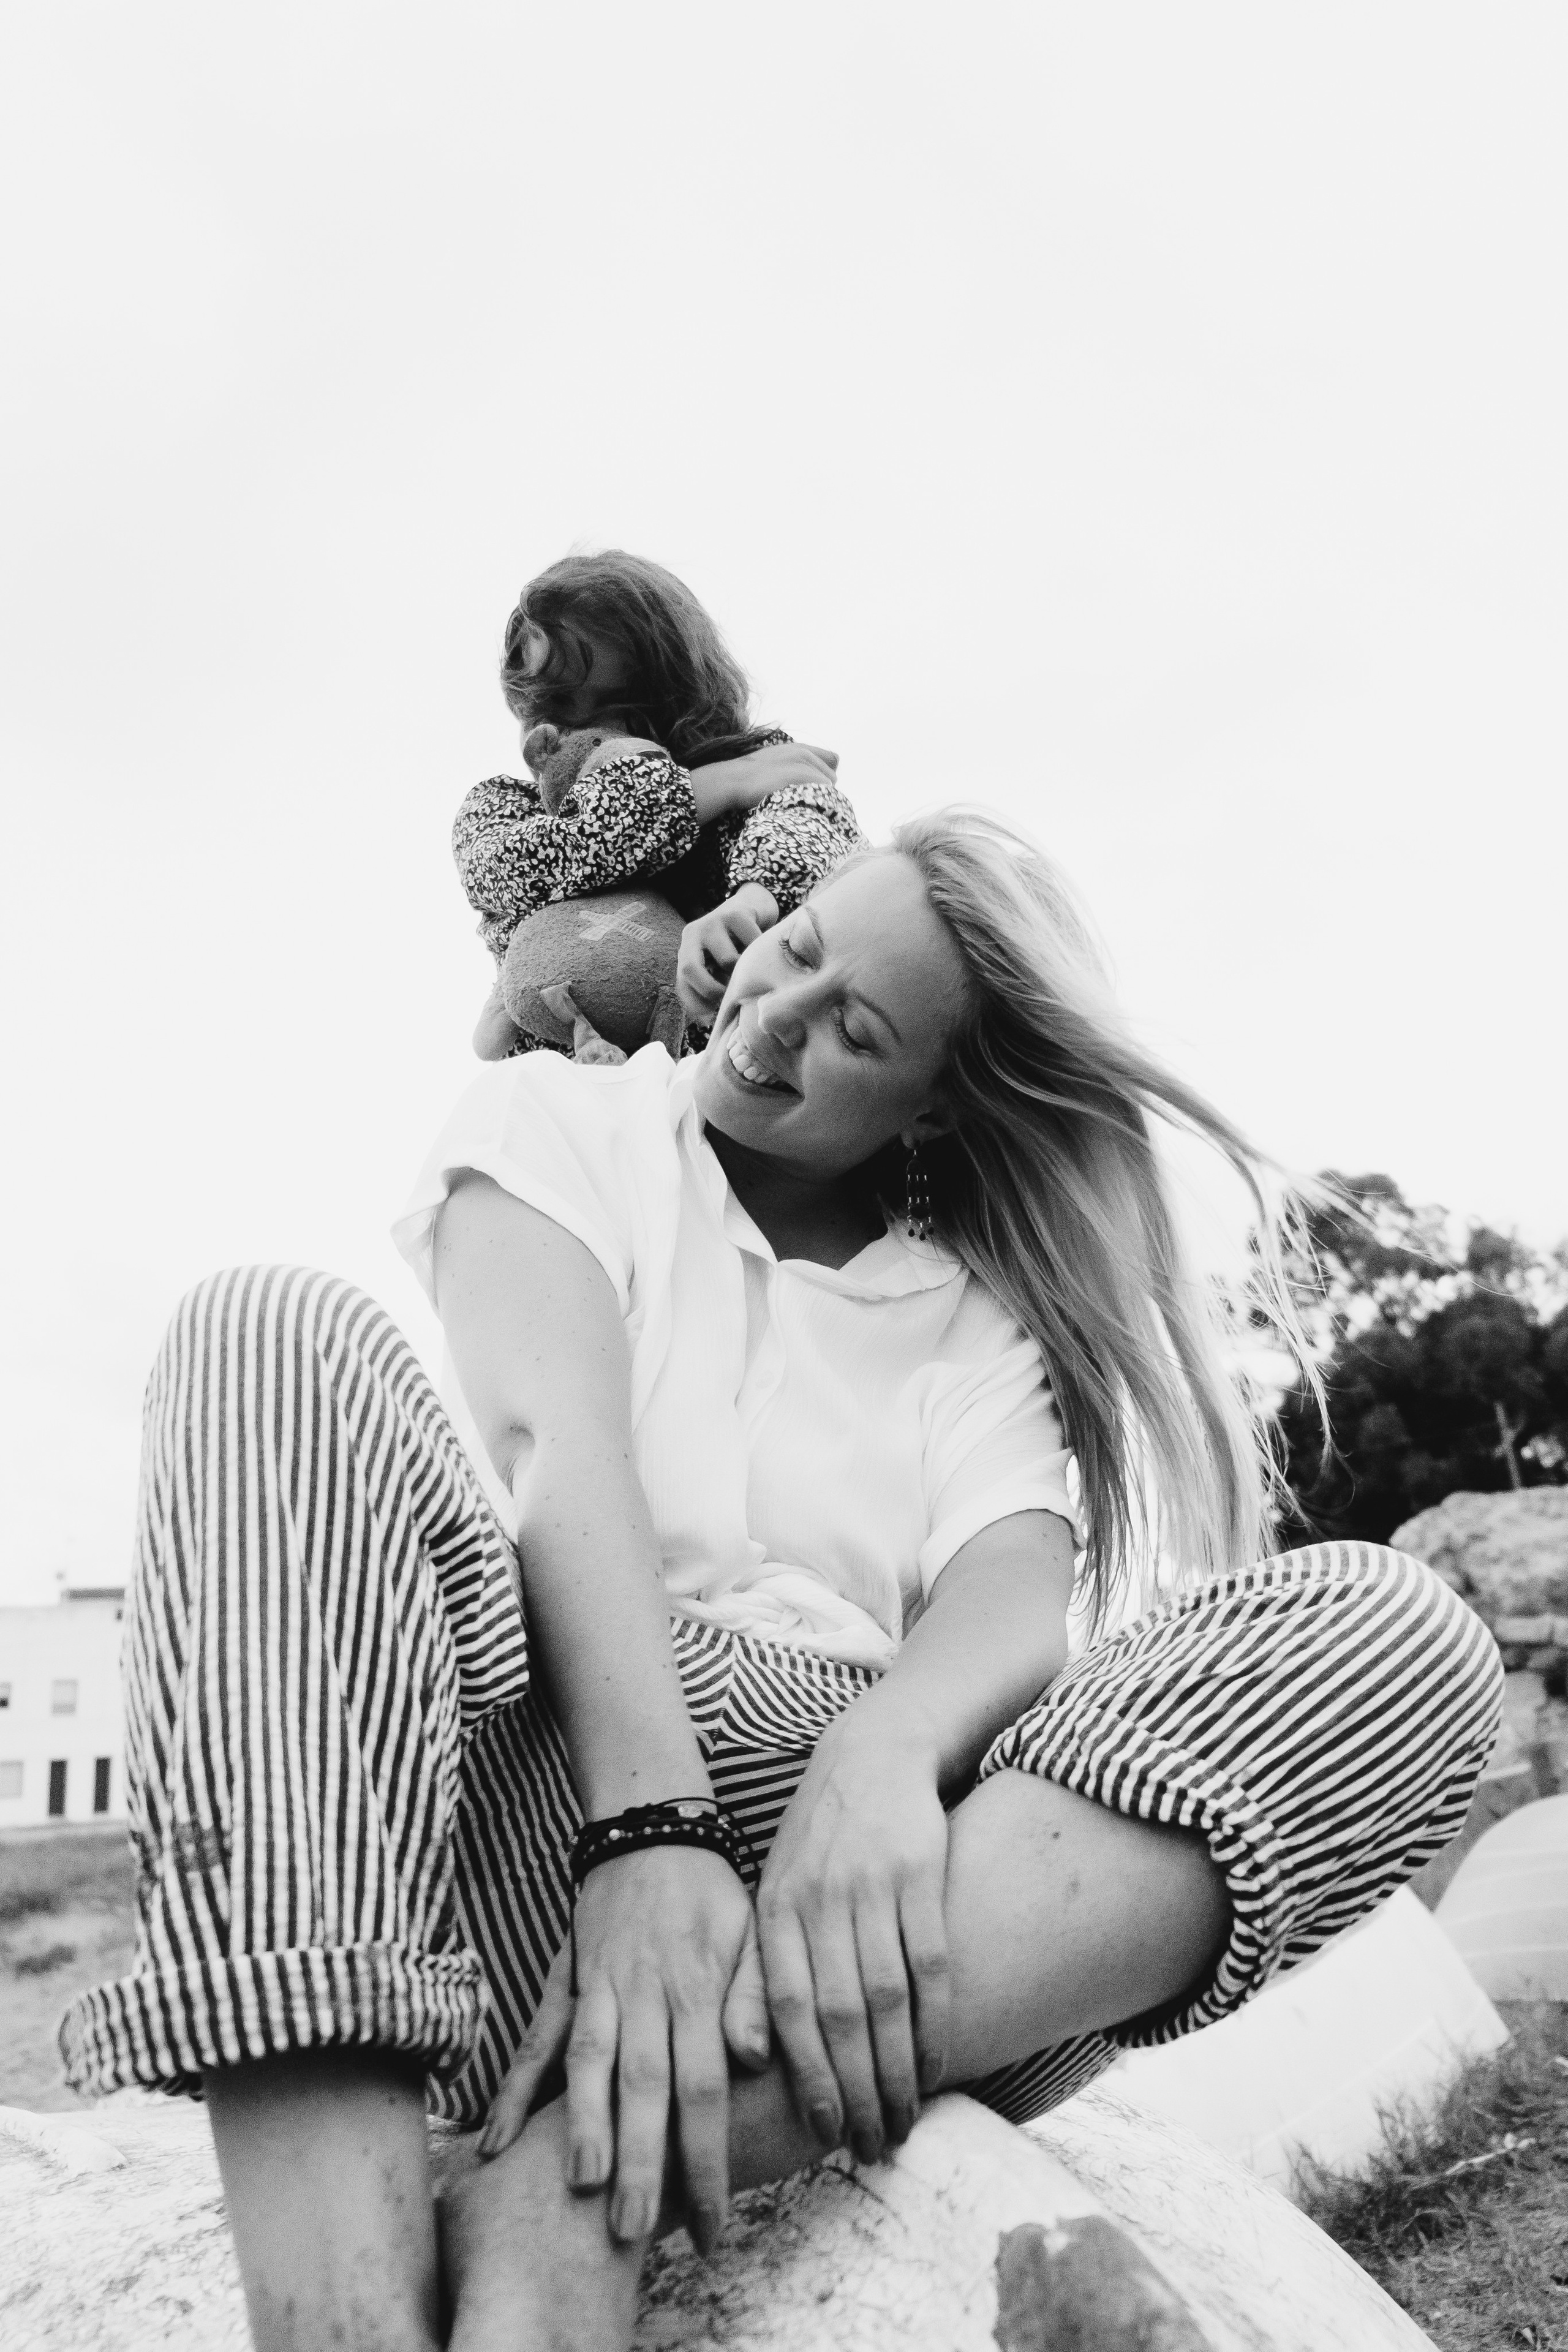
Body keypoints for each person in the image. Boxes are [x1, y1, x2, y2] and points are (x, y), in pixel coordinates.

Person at [61, 811, 1501, 2352]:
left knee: (1401, 1634)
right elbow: (558, 1453)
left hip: (877, 1917)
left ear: (934, 1111)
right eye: (796, 956)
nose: (772, 1020)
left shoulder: (973, 1321)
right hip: (556, 1786)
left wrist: (880, 1754)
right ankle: (342, 2316)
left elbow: (1012, 1588)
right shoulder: (566, 1120)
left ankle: (561, 2187)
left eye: (851, 1033)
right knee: (262, 1336)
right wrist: (652, 1828)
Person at [454, 548, 863, 1057]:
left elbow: (810, 817)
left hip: (715, 1083)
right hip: (569, 1102)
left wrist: (759, 896)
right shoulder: (504, 808)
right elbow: (532, 861)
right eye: (553, 706)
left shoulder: (756, 762)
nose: (587, 734)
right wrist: (713, 788)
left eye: (620, 708)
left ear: (681, 693)